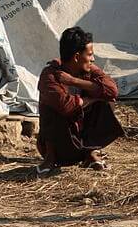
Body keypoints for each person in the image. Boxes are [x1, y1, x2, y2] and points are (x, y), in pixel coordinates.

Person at [36, 27, 122, 174]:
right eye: (89, 55)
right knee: (52, 108)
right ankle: (50, 159)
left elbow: (112, 90)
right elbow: (66, 106)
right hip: (62, 146)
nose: (93, 59)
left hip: (82, 142)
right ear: (76, 57)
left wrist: (74, 81)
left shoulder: (88, 70)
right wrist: (91, 98)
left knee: (106, 99)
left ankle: (90, 153)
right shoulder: (50, 75)